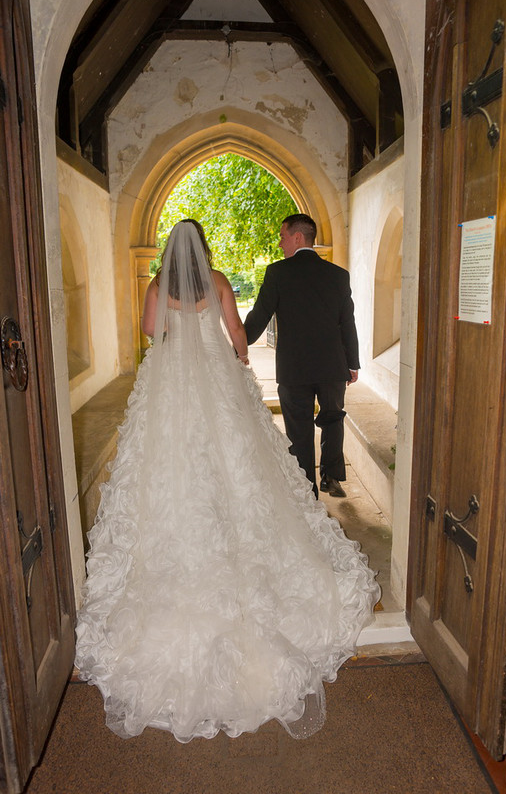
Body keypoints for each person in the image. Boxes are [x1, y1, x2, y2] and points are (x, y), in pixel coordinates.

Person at [75, 219, 379, 743]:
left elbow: (152, 331)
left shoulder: (156, 286)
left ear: (170, 253)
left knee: (173, 461)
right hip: (216, 376)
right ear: (204, 250)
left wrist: (173, 327)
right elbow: (237, 330)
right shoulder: (217, 280)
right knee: (241, 460)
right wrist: (239, 360)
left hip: (172, 378)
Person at [244, 213, 359, 499]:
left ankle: (305, 487)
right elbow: (348, 322)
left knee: (298, 425)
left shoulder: (277, 273)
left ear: (297, 237)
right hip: (333, 365)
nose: (280, 243)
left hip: (294, 368)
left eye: (283, 237)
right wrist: (352, 363)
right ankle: (331, 477)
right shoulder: (338, 275)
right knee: (333, 418)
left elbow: (259, 317)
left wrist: (237, 346)